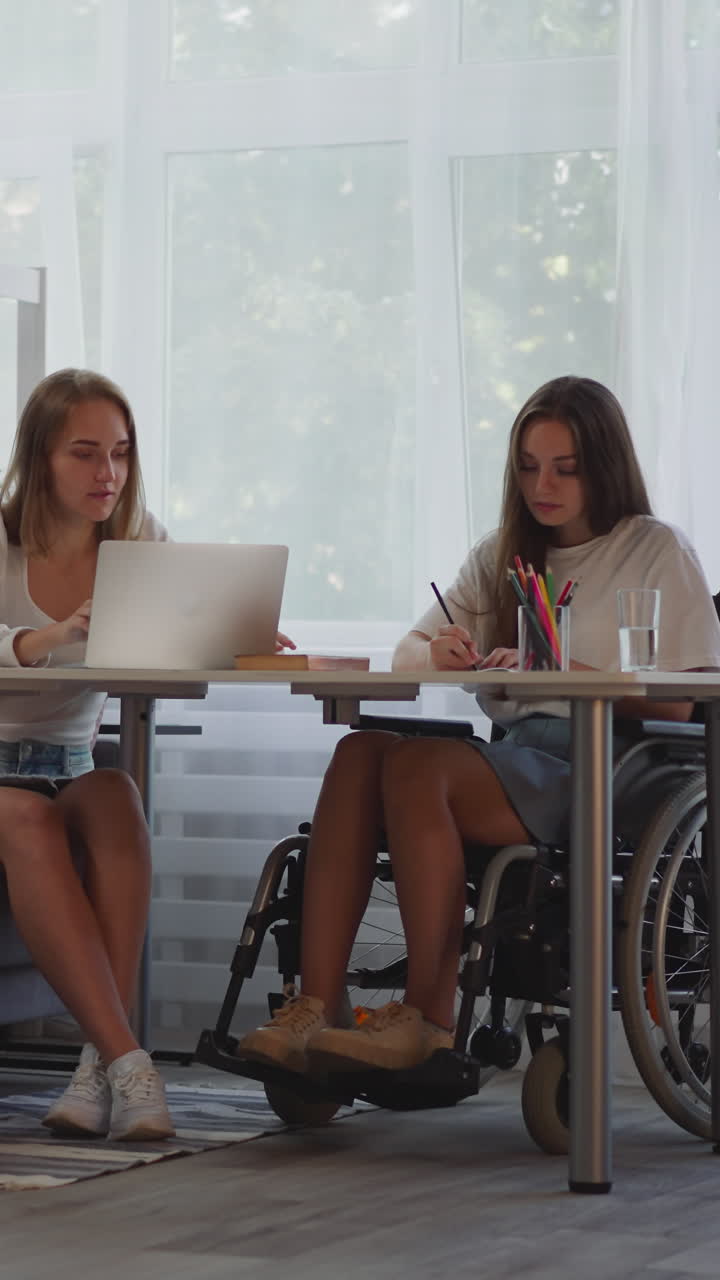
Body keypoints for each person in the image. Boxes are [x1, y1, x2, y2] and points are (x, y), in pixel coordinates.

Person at [236, 374, 720, 1076]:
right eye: (528, 467)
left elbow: (682, 704)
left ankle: (427, 1020)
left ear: (604, 466)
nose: (541, 485)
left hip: (609, 765)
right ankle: (319, 1003)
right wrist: (437, 650)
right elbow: (409, 647)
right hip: (518, 758)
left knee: (415, 765)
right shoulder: (506, 555)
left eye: (564, 468)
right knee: (359, 751)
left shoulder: (654, 550)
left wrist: (559, 671)